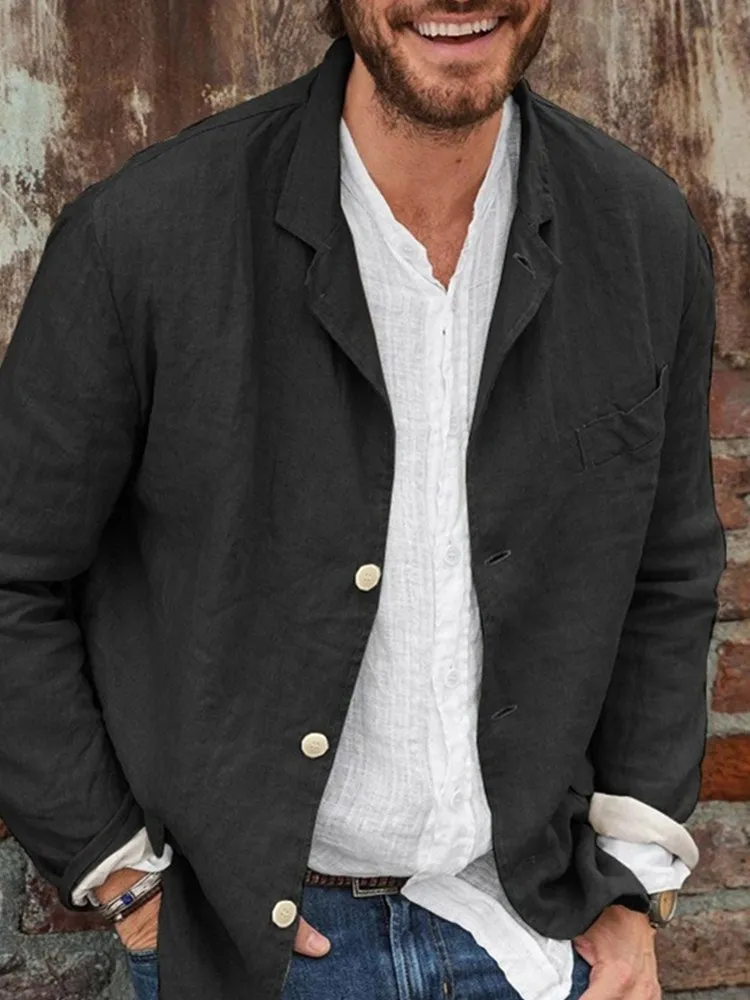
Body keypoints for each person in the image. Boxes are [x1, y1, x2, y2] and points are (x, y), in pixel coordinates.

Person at [0, 1, 725, 998]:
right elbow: (14, 574)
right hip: (250, 955)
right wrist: (126, 880)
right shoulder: (148, 234)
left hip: (531, 935)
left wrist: (632, 885)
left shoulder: (642, 234)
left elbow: (667, 572)